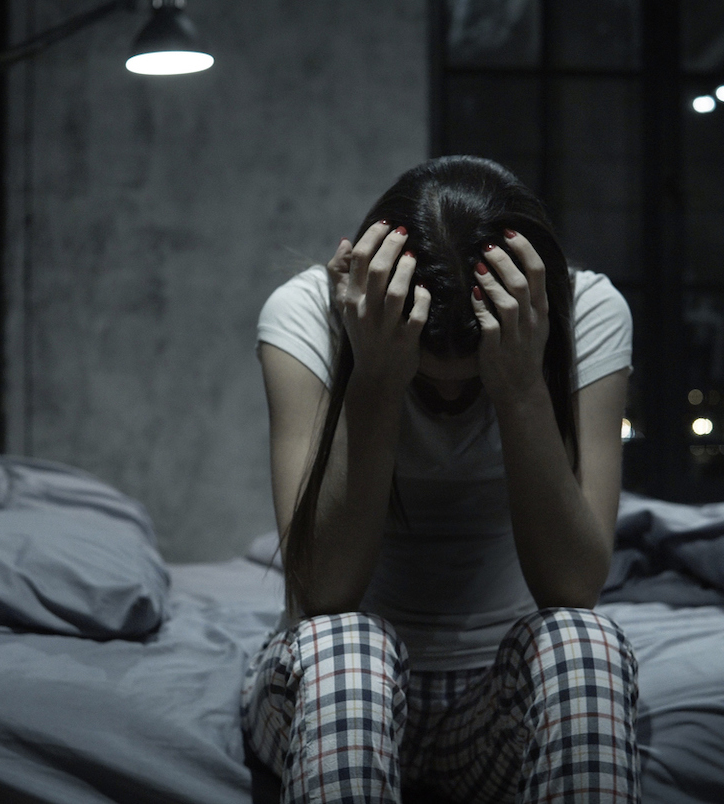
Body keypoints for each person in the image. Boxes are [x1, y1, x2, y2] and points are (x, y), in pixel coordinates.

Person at [242, 155, 639, 803]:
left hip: (495, 703)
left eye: (471, 381)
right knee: (348, 646)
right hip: (336, 692)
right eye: (430, 380)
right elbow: (322, 595)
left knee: (585, 640)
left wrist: (517, 386)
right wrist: (376, 378)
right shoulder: (311, 313)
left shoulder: (582, 311)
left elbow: (573, 587)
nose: (452, 402)